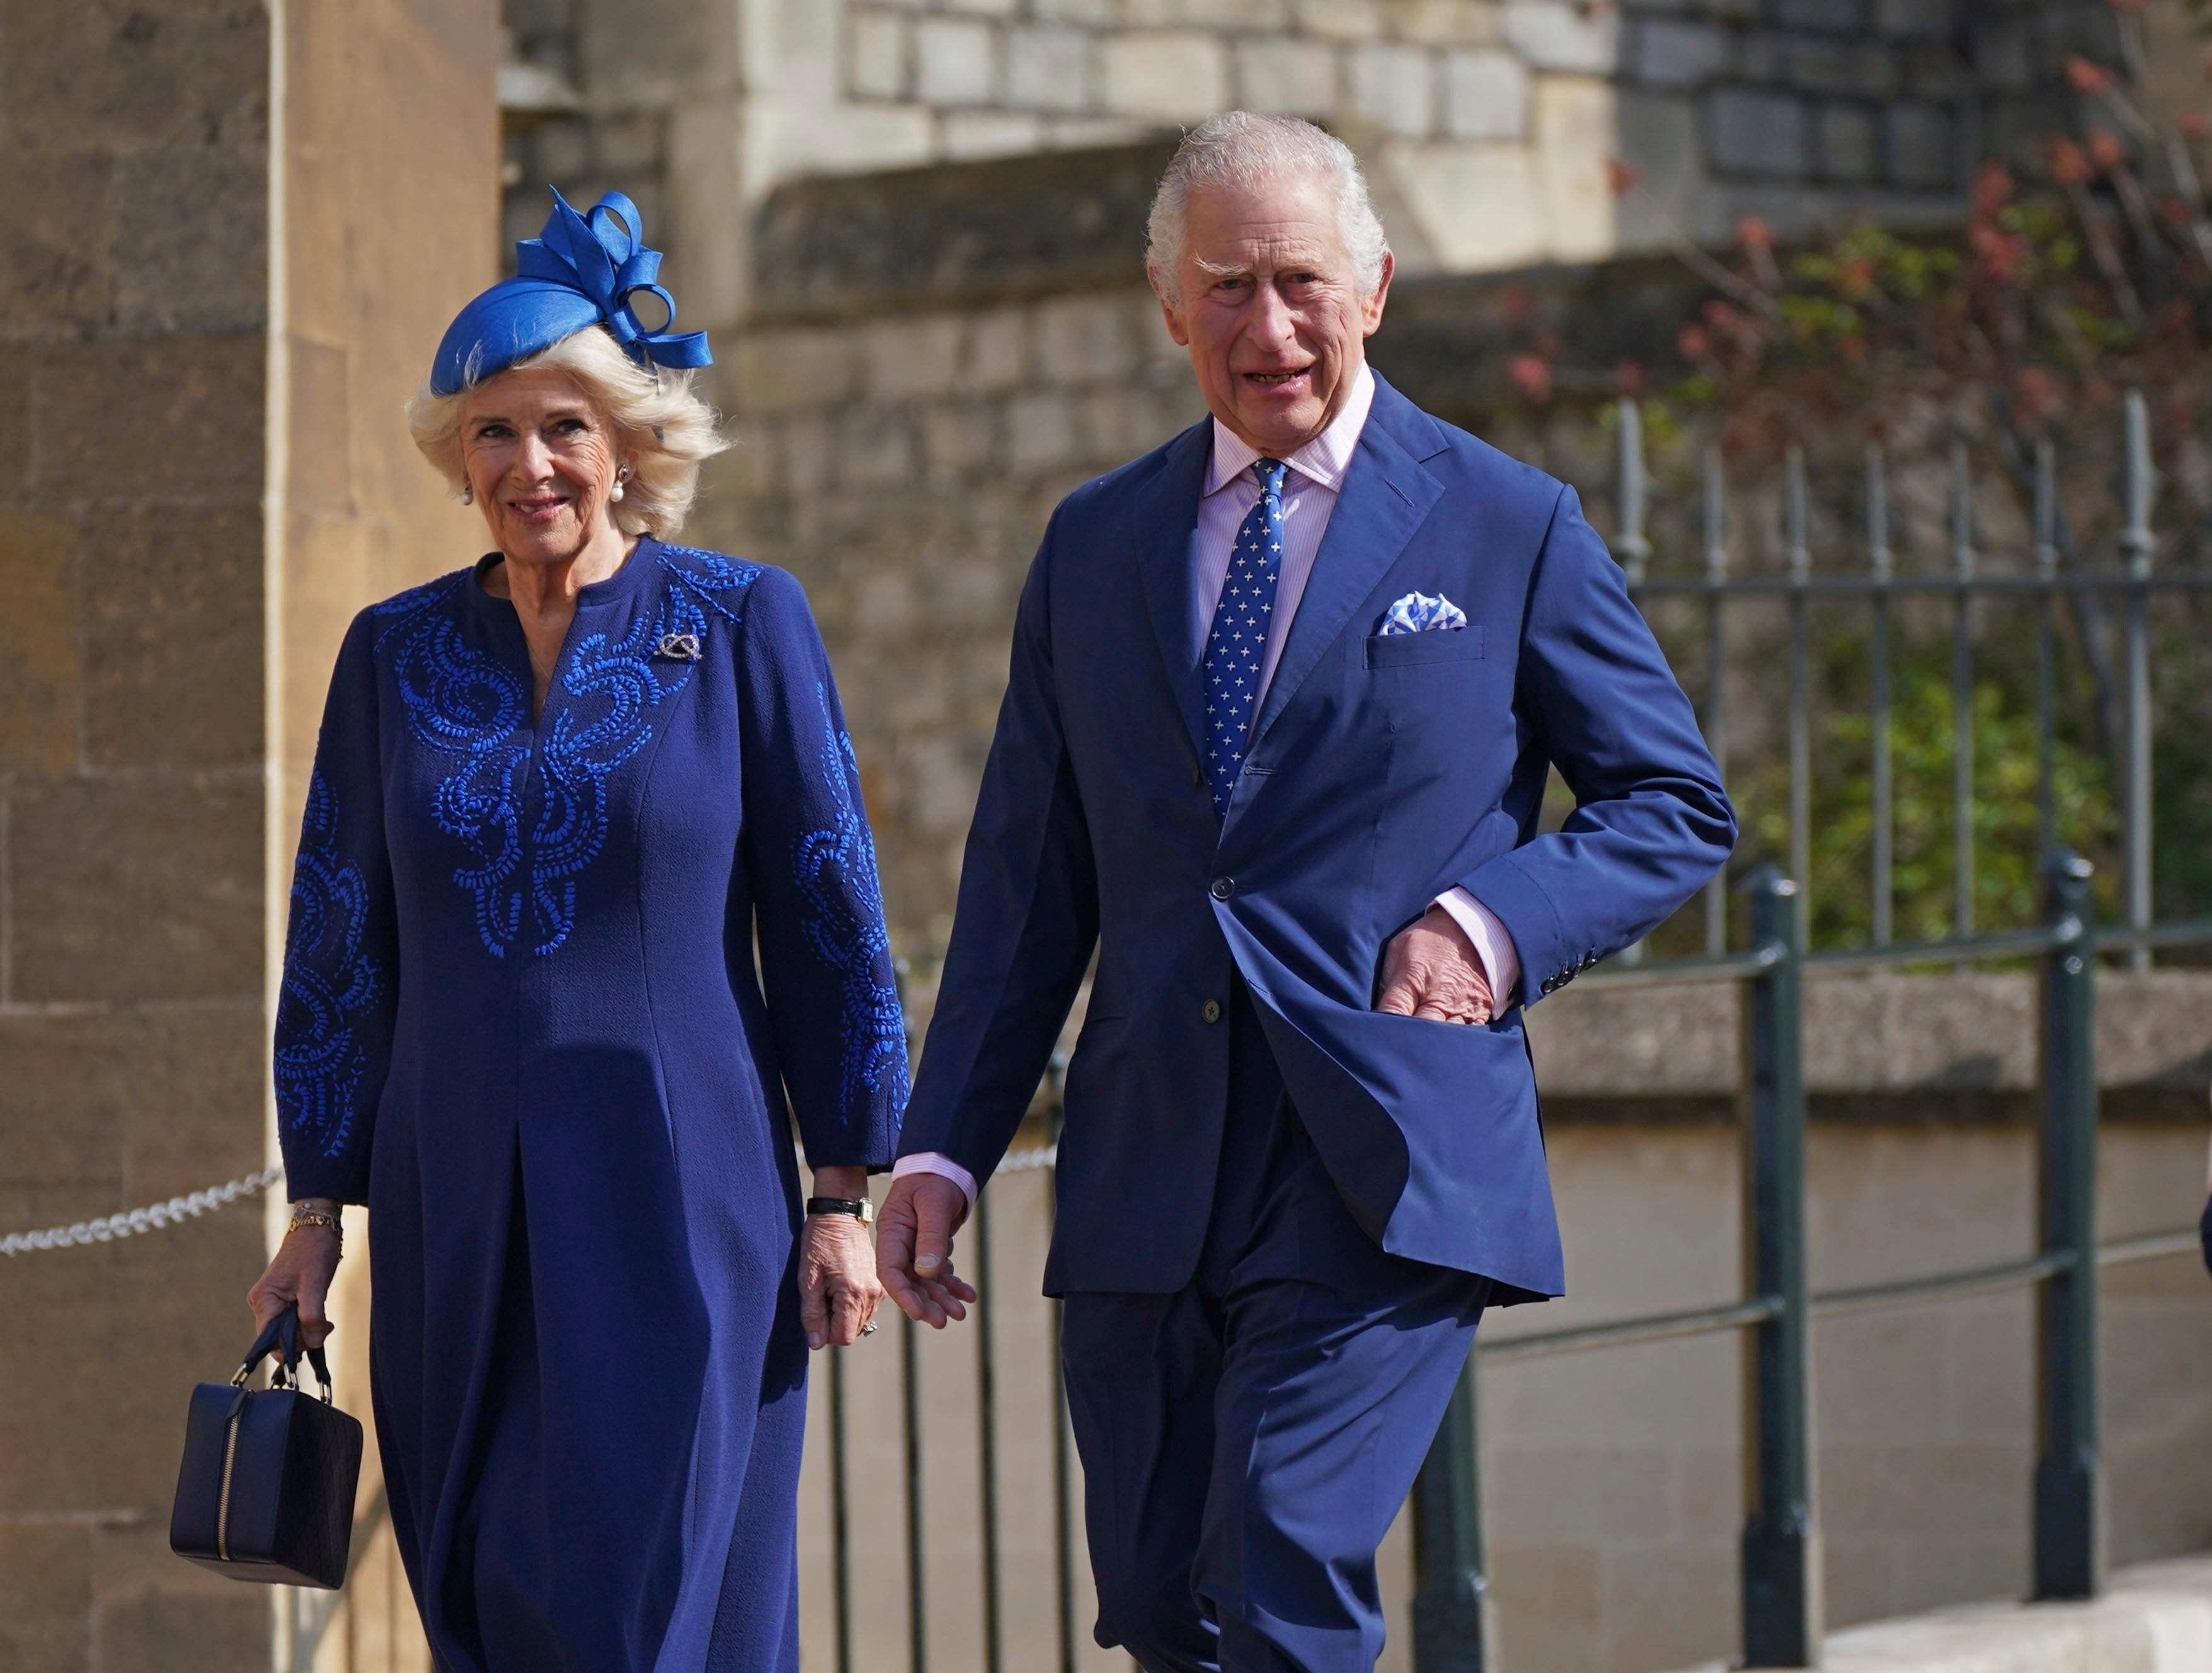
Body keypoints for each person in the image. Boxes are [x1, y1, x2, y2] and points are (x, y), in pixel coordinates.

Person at [875, 114, 1736, 1669]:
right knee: (1153, 1603)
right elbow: (1026, 878)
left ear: (1375, 290)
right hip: (1148, 1150)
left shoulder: (1506, 523)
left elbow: (1671, 804)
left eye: (1298, 282)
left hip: (1377, 1144)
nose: (1265, 328)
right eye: (1222, 287)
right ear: (1165, 305)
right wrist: (940, 1140)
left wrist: (1481, 927)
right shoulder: (1090, 545)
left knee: (1276, 1561)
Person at [244, 188, 907, 1672]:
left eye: (563, 428)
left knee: (651, 1585)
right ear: (456, 457)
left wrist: (844, 1192)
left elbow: (827, 908)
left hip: (682, 1179)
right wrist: (315, 1210)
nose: (530, 463)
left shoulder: (740, 620)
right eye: (494, 430)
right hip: (450, 1186)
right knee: (476, 1566)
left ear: (625, 448)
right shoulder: (389, 650)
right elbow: (341, 937)